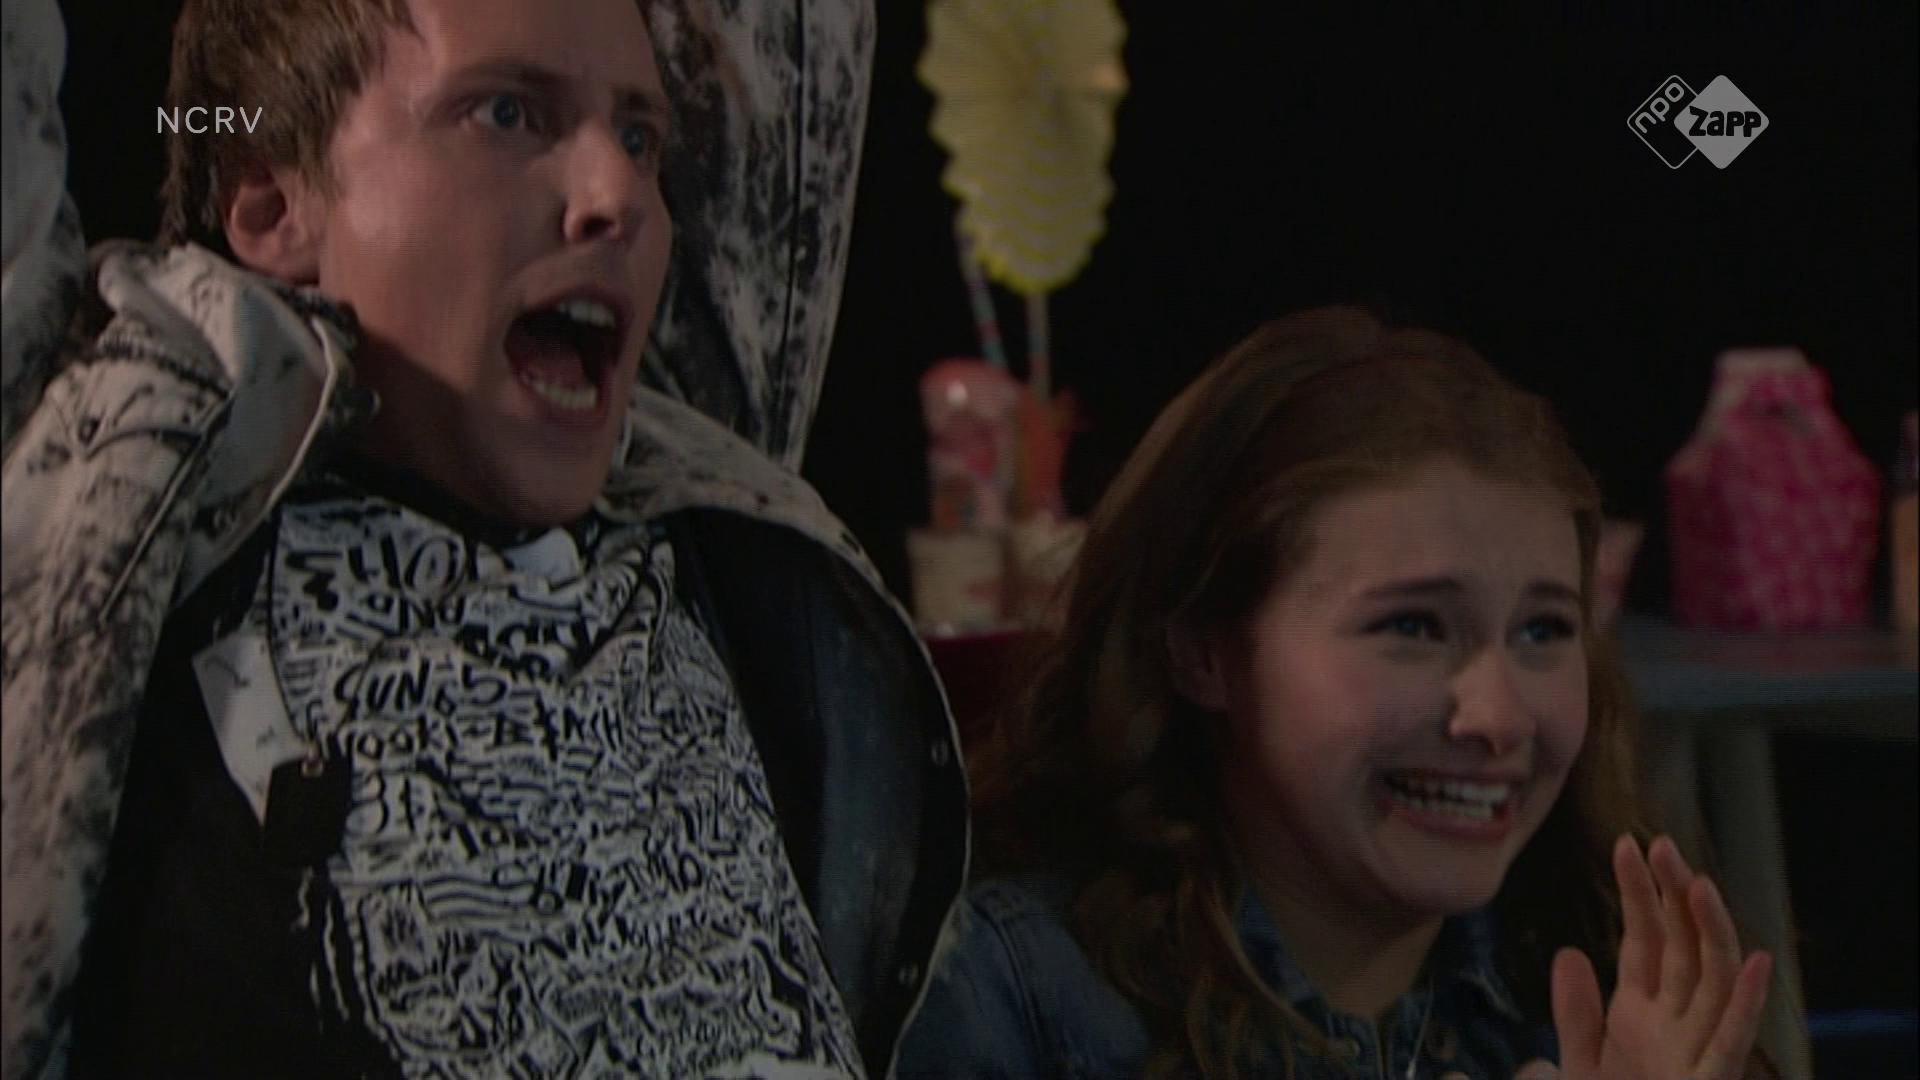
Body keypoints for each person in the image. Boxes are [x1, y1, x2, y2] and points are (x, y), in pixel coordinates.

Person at [0, 0, 966, 1077]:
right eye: (507, 113)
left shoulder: (694, 498)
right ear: (272, 197)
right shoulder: (93, 505)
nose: (617, 195)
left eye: (640, 137)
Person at [895, 307, 1775, 1079]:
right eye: (1414, 627)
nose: (1500, 718)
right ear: (1204, 651)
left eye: (1543, 631)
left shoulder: (1610, 993)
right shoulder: (1008, 993)